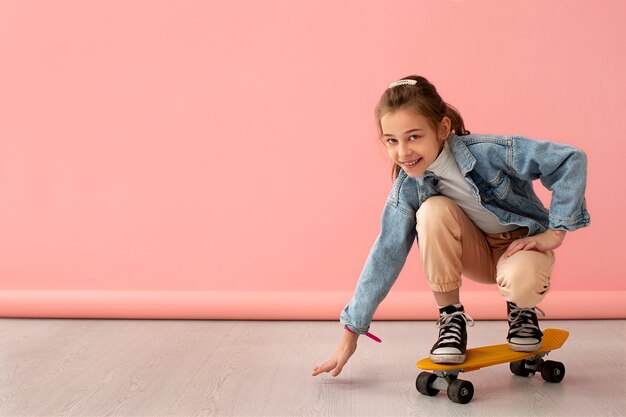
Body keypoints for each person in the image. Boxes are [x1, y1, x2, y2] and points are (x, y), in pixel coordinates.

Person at [312, 75, 590, 377]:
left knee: (521, 282)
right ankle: (450, 318)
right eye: (392, 141)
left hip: (521, 249)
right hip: (476, 255)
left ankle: (521, 310)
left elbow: (570, 160)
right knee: (432, 210)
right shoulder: (409, 189)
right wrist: (351, 334)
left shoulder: (488, 152)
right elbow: (385, 254)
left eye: (414, 137)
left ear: (442, 128)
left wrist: (555, 232)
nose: (403, 152)